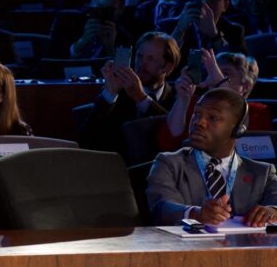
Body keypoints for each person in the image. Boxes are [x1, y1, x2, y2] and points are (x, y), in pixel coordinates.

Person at [146, 88, 277, 226]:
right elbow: (161, 208)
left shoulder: (263, 173)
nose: (199, 122)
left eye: (212, 117)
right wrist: (195, 214)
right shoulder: (169, 163)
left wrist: (272, 211)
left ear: (238, 130)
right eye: (196, 114)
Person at [77, 32, 179, 155]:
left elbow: (173, 139)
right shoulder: (118, 92)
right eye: (140, 56)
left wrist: (142, 99)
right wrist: (110, 93)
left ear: (168, 67)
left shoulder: (178, 98)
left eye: (150, 59)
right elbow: (85, 140)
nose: (142, 64)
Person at [158, 51, 272, 152]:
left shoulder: (258, 112)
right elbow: (168, 145)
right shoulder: (194, 104)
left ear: (245, 86)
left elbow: (244, 151)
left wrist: (222, 85)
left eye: (225, 74)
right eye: (212, 72)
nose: (214, 77)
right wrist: (182, 99)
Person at [50, 0, 136, 59]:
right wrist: (81, 43)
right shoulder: (67, 21)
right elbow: (51, 58)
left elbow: (123, 71)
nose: (103, 14)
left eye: (109, 10)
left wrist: (109, 48)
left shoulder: (125, 38)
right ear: (92, 2)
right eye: (99, 8)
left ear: (121, 9)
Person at [167, 0, 247, 55]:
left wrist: (215, 36)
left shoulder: (234, 31)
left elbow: (238, 64)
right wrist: (180, 30)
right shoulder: (169, 25)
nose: (205, 1)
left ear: (225, 6)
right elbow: (161, 58)